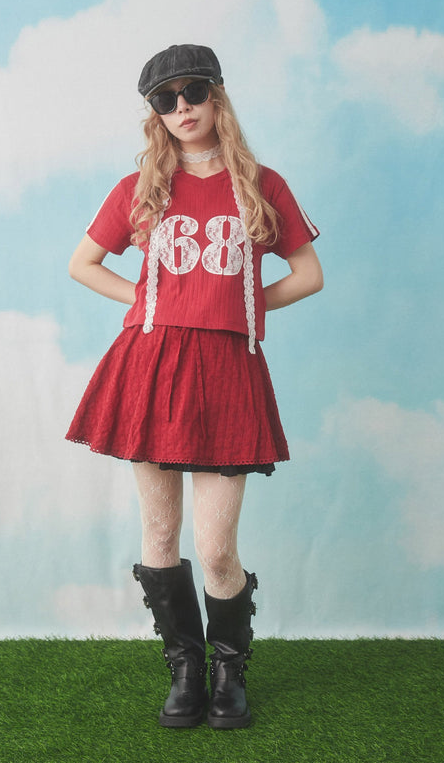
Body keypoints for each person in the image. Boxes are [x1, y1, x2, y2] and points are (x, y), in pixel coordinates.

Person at [66, 44, 323, 729]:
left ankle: (229, 673)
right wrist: (146, 299)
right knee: (159, 533)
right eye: (165, 99)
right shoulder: (140, 187)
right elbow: (82, 263)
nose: (181, 108)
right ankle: (184, 670)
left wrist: (244, 305)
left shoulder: (261, 184)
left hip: (228, 368)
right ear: (154, 111)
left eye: (193, 92)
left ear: (217, 95)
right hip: (150, 364)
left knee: (215, 547)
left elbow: (308, 274)